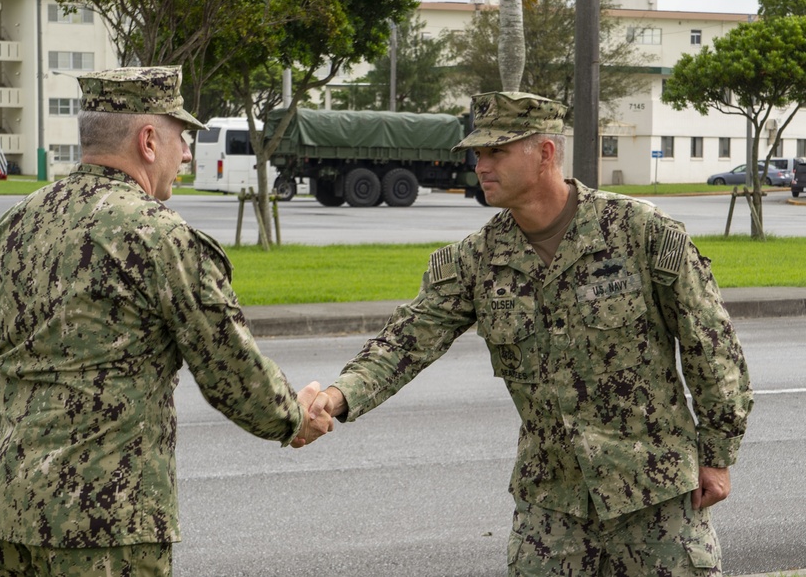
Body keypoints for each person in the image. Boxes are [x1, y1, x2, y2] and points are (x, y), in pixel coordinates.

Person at [318, 91, 753, 575]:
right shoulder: (476, 260)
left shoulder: (639, 232)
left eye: (496, 151)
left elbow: (713, 350)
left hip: (657, 496)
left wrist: (717, 456)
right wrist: (335, 398)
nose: (481, 165)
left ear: (545, 153)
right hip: (552, 506)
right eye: (479, 153)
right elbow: (405, 341)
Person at [0, 65, 333, 577]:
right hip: (107, 530)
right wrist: (294, 417)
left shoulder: (9, 230)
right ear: (149, 140)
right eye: (182, 137)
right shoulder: (161, 237)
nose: (188, 153)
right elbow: (230, 371)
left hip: (5, 520)